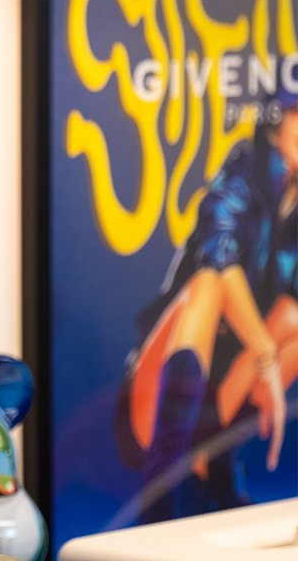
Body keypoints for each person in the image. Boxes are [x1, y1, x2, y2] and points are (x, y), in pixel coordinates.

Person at [119, 77, 298, 523]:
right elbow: (218, 256)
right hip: (156, 397)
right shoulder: (244, 170)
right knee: (210, 282)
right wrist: (265, 357)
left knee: (294, 317)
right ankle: (162, 485)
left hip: (221, 399)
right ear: (276, 122)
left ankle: (216, 461)